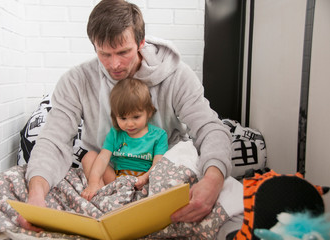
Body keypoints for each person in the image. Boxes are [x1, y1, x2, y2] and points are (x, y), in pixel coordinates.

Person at [19, 0, 241, 237]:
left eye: (123, 52)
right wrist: (36, 196)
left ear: (141, 42)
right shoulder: (76, 81)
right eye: (104, 53)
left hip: (163, 176)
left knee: (230, 198)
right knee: (16, 186)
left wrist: (213, 179)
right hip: (107, 177)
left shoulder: (177, 75)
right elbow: (53, 140)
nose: (113, 64)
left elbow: (209, 128)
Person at [81, 77, 168, 201]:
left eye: (136, 117)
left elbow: (158, 164)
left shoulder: (159, 135)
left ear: (149, 112)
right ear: (115, 117)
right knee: (89, 156)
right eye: (123, 118)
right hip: (116, 180)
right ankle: (99, 195)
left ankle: (110, 200)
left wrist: (144, 178)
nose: (130, 124)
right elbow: (103, 158)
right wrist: (93, 182)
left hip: (142, 182)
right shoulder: (115, 133)